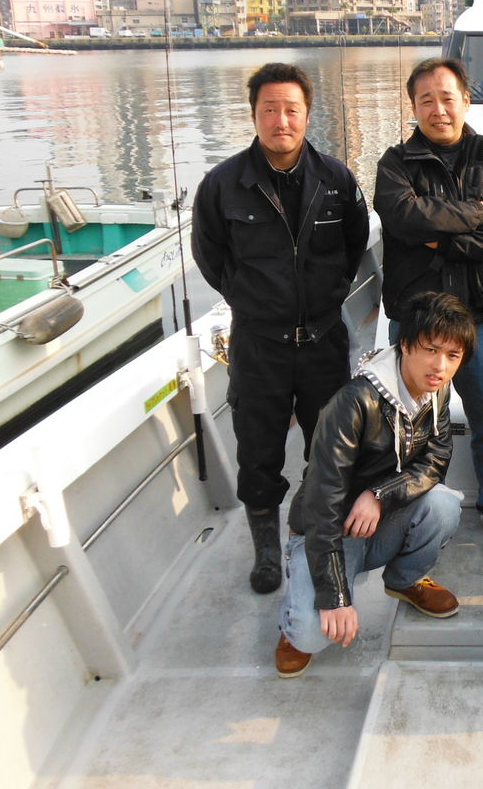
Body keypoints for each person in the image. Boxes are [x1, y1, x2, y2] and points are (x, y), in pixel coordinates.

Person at [192, 62, 369, 594]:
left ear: (307, 114)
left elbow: (354, 246)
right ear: (254, 115)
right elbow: (210, 257)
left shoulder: (336, 179)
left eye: (292, 109)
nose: (281, 120)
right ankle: (267, 550)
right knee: (258, 451)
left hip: (323, 340)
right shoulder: (221, 184)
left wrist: (322, 298)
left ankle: (312, 526)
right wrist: (254, 301)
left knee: (330, 446)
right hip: (258, 344)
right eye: (269, 109)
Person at [373, 57, 483, 549]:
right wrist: (477, 212)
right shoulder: (395, 164)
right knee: (407, 423)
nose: (438, 109)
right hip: (418, 320)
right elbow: (404, 218)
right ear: (413, 106)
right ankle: (410, 512)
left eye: (447, 98)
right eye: (427, 100)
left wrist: (443, 241)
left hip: (481, 317)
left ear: (466, 100)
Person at [274, 292, 473, 678]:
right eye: (431, 350)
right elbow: (321, 504)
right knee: (311, 636)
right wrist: (335, 597)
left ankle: (403, 581)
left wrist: (380, 495)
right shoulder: (352, 403)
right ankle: (291, 623)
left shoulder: (437, 388)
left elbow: (436, 460)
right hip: (330, 529)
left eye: (453, 355)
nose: (441, 365)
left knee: (443, 505)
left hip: (381, 517)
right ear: (405, 344)